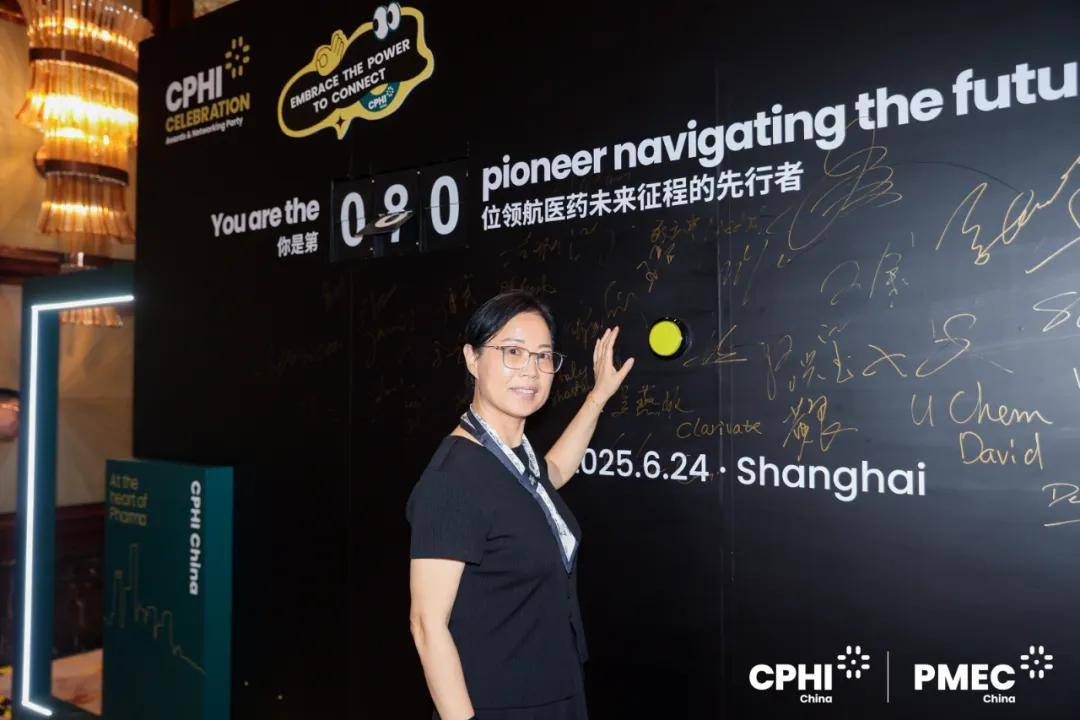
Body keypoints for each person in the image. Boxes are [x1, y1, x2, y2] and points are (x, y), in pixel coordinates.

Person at [407, 290, 634, 720]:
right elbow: (426, 625)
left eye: (543, 356)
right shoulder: (452, 479)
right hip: (498, 705)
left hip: (554, 689)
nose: (530, 370)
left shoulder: (514, 456)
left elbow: (553, 473)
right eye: (512, 352)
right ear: (472, 359)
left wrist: (598, 396)